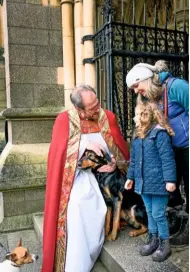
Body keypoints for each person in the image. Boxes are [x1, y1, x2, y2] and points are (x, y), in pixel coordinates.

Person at [41, 84, 130, 272]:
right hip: (79, 175)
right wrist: (84, 144)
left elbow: (119, 148)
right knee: (77, 204)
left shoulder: (107, 117)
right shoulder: (64, 120)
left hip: (106, 176)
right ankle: (75, 262)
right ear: (79, 108)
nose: (97, 109)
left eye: (97, 103)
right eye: (92, 108)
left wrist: (115, 163)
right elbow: (59, 154)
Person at [126, 60, 189, 246]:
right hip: (170, 147)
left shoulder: (177, 86)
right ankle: (176, 224)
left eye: (136, 86)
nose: (136, 91)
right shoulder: (152, 95)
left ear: (145, 79)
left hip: (187, 146)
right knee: (171, 189)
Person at [125, 101, 176, 262]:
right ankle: (153, 239)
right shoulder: (138, 136)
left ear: (144, 116)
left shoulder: (159, 135)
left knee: (158, 214)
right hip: (143, 183)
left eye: (136, 114)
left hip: (159, 183)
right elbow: (133, 161)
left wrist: (170, 180)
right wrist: (130, 177)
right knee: (149, 212)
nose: (134, 118)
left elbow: (167, 159)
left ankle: (164, 244)